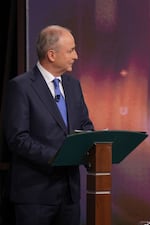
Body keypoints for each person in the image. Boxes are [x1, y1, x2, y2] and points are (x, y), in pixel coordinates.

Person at [2, 25, 94, 225]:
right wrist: (57, 158)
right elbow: (18, 138)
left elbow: (85, 125)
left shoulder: (73, 85)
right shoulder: (21, 87)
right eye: (71, 50)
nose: (76, 56)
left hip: (69, 196)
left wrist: (90, 143)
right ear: (51, 55)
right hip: (35, 196)